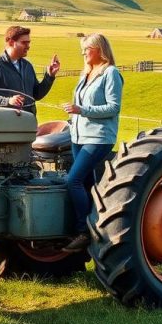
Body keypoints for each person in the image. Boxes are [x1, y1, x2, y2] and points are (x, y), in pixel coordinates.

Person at [62, 33, 123, 252]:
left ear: (98, 49)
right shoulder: (85, 74)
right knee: (86, 184)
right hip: (78, 136)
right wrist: (73, 115)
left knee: (73, 181)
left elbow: (113, 107)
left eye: (87, 48)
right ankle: (95, 229)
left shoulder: (110, 73)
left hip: (98, 137)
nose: (83, 53)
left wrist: (82, 110)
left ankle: (84, 231)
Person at [0, 25, 60, 115]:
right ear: (11, 42)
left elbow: (36, 95)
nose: (28, 46)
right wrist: (7, 101)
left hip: (28, 121)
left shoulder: (27, 66)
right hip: (5, 122)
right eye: (24, 43)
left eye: (29, 43)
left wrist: (49, 76)